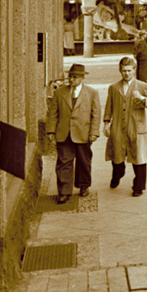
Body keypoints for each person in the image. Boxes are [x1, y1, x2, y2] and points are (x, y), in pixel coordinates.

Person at [104, 55, 147, 197]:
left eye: (129, 70)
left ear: (134, 70)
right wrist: (106, 123)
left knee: (139, 158)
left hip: (136, 127)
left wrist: (142, 98)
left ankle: (138, 187)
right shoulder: (114, 88)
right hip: (118, 127)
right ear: (120, 71)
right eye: (123, 71)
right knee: (117, 156)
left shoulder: (142, 86)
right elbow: (108, 107)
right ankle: (117, 175)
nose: (126, 73)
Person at [46, 63, 100, 203]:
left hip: (83, 133)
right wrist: (51, 130)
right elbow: (53, 113)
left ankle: (83, 186)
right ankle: (64, 191)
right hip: (64, 133)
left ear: (82, 78)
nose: (71, 80)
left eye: (74, 77)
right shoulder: (60, 93)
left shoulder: (92, 93)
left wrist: (94, 132)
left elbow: (96, 114)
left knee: (84, 161)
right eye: (70, 76)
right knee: (64, 162)